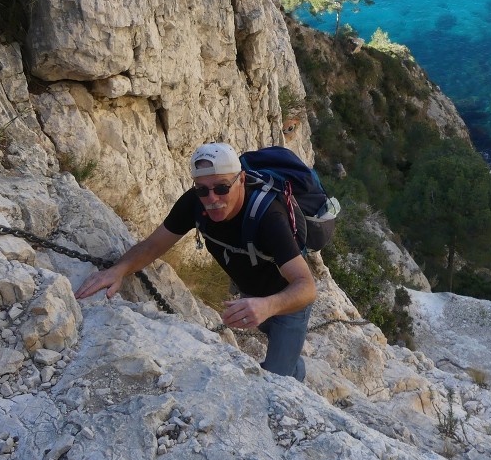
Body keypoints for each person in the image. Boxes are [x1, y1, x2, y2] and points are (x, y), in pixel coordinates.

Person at [74, 142, 317, 381]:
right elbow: (153, 246)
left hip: (288, 300)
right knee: (279, 344)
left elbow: (306, 287)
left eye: (222, 188)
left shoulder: (268, 217)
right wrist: (119, 270)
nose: (211, 198)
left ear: (241, 180)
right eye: (202, 189)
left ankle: (294, 370)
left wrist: (268, 306)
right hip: (251, 294)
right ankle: (290, 358)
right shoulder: (194, 203)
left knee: (277, 377)